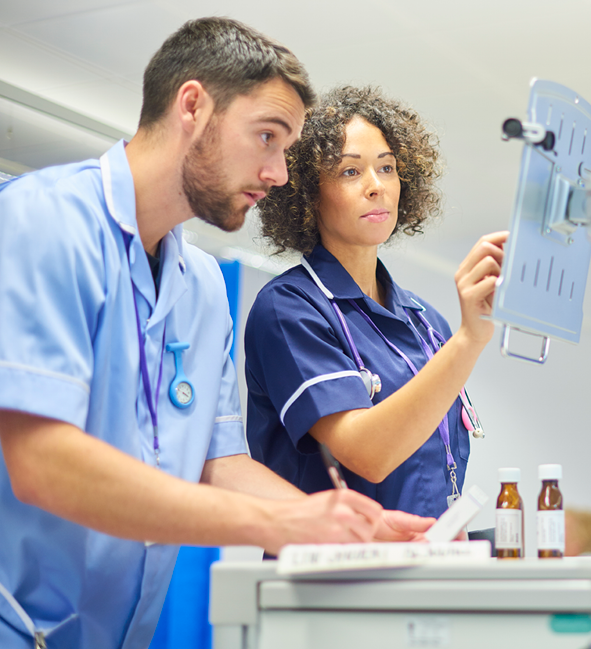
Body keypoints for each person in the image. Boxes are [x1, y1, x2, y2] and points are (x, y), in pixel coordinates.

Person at [0, 19, 435, 649]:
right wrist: (279, 523)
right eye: (267, 137)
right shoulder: (43, 222)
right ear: (193, 107)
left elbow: (217, 461)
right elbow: (41, 462)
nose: (280, 173)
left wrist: (342, 531)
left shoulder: (202, 286)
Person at [245, 85, 506, 518]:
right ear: (307, 193)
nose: (375, 186)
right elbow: (369, 455)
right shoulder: (290, 308)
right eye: (350, 172)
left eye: (386, 168)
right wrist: (468, 341)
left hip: (425, 562)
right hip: (335, 573)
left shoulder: (426, 322)